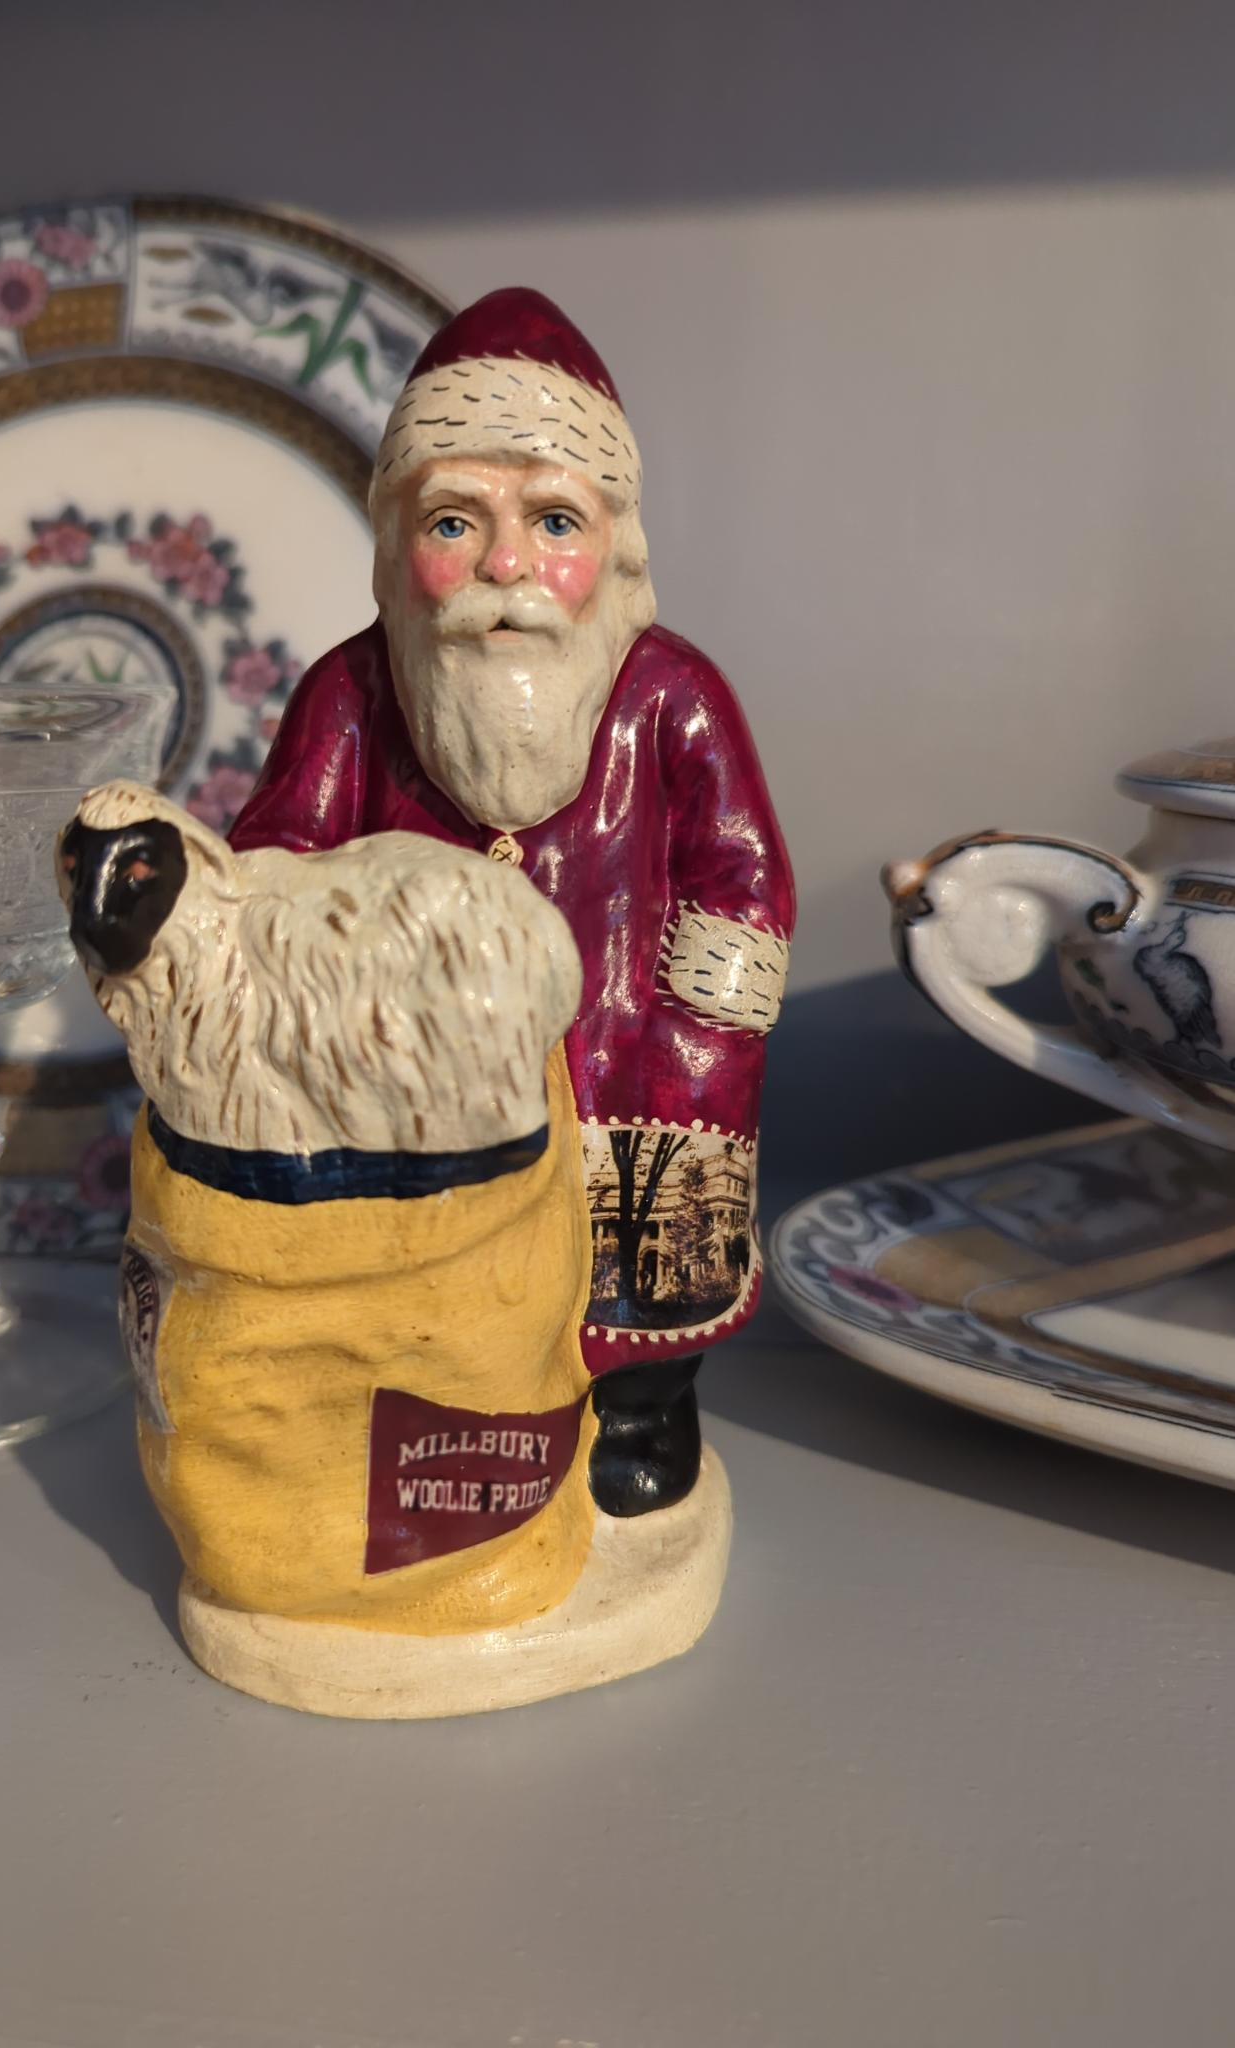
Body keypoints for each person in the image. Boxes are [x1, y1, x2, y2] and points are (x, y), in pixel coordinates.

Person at [229, 286, 795, 1517]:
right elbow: (277, 846)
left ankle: (639, 1403)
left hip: (625, 1057)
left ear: (617, 546)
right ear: (396, 544)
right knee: (431, 1282)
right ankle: (451, 1422)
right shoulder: (353, 693)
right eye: (455, 521)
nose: (506, 567)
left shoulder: (670, 695)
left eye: (551, 520)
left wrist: (700, 1033)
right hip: (417, 1075)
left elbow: (738, 869)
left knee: (626, 1263)